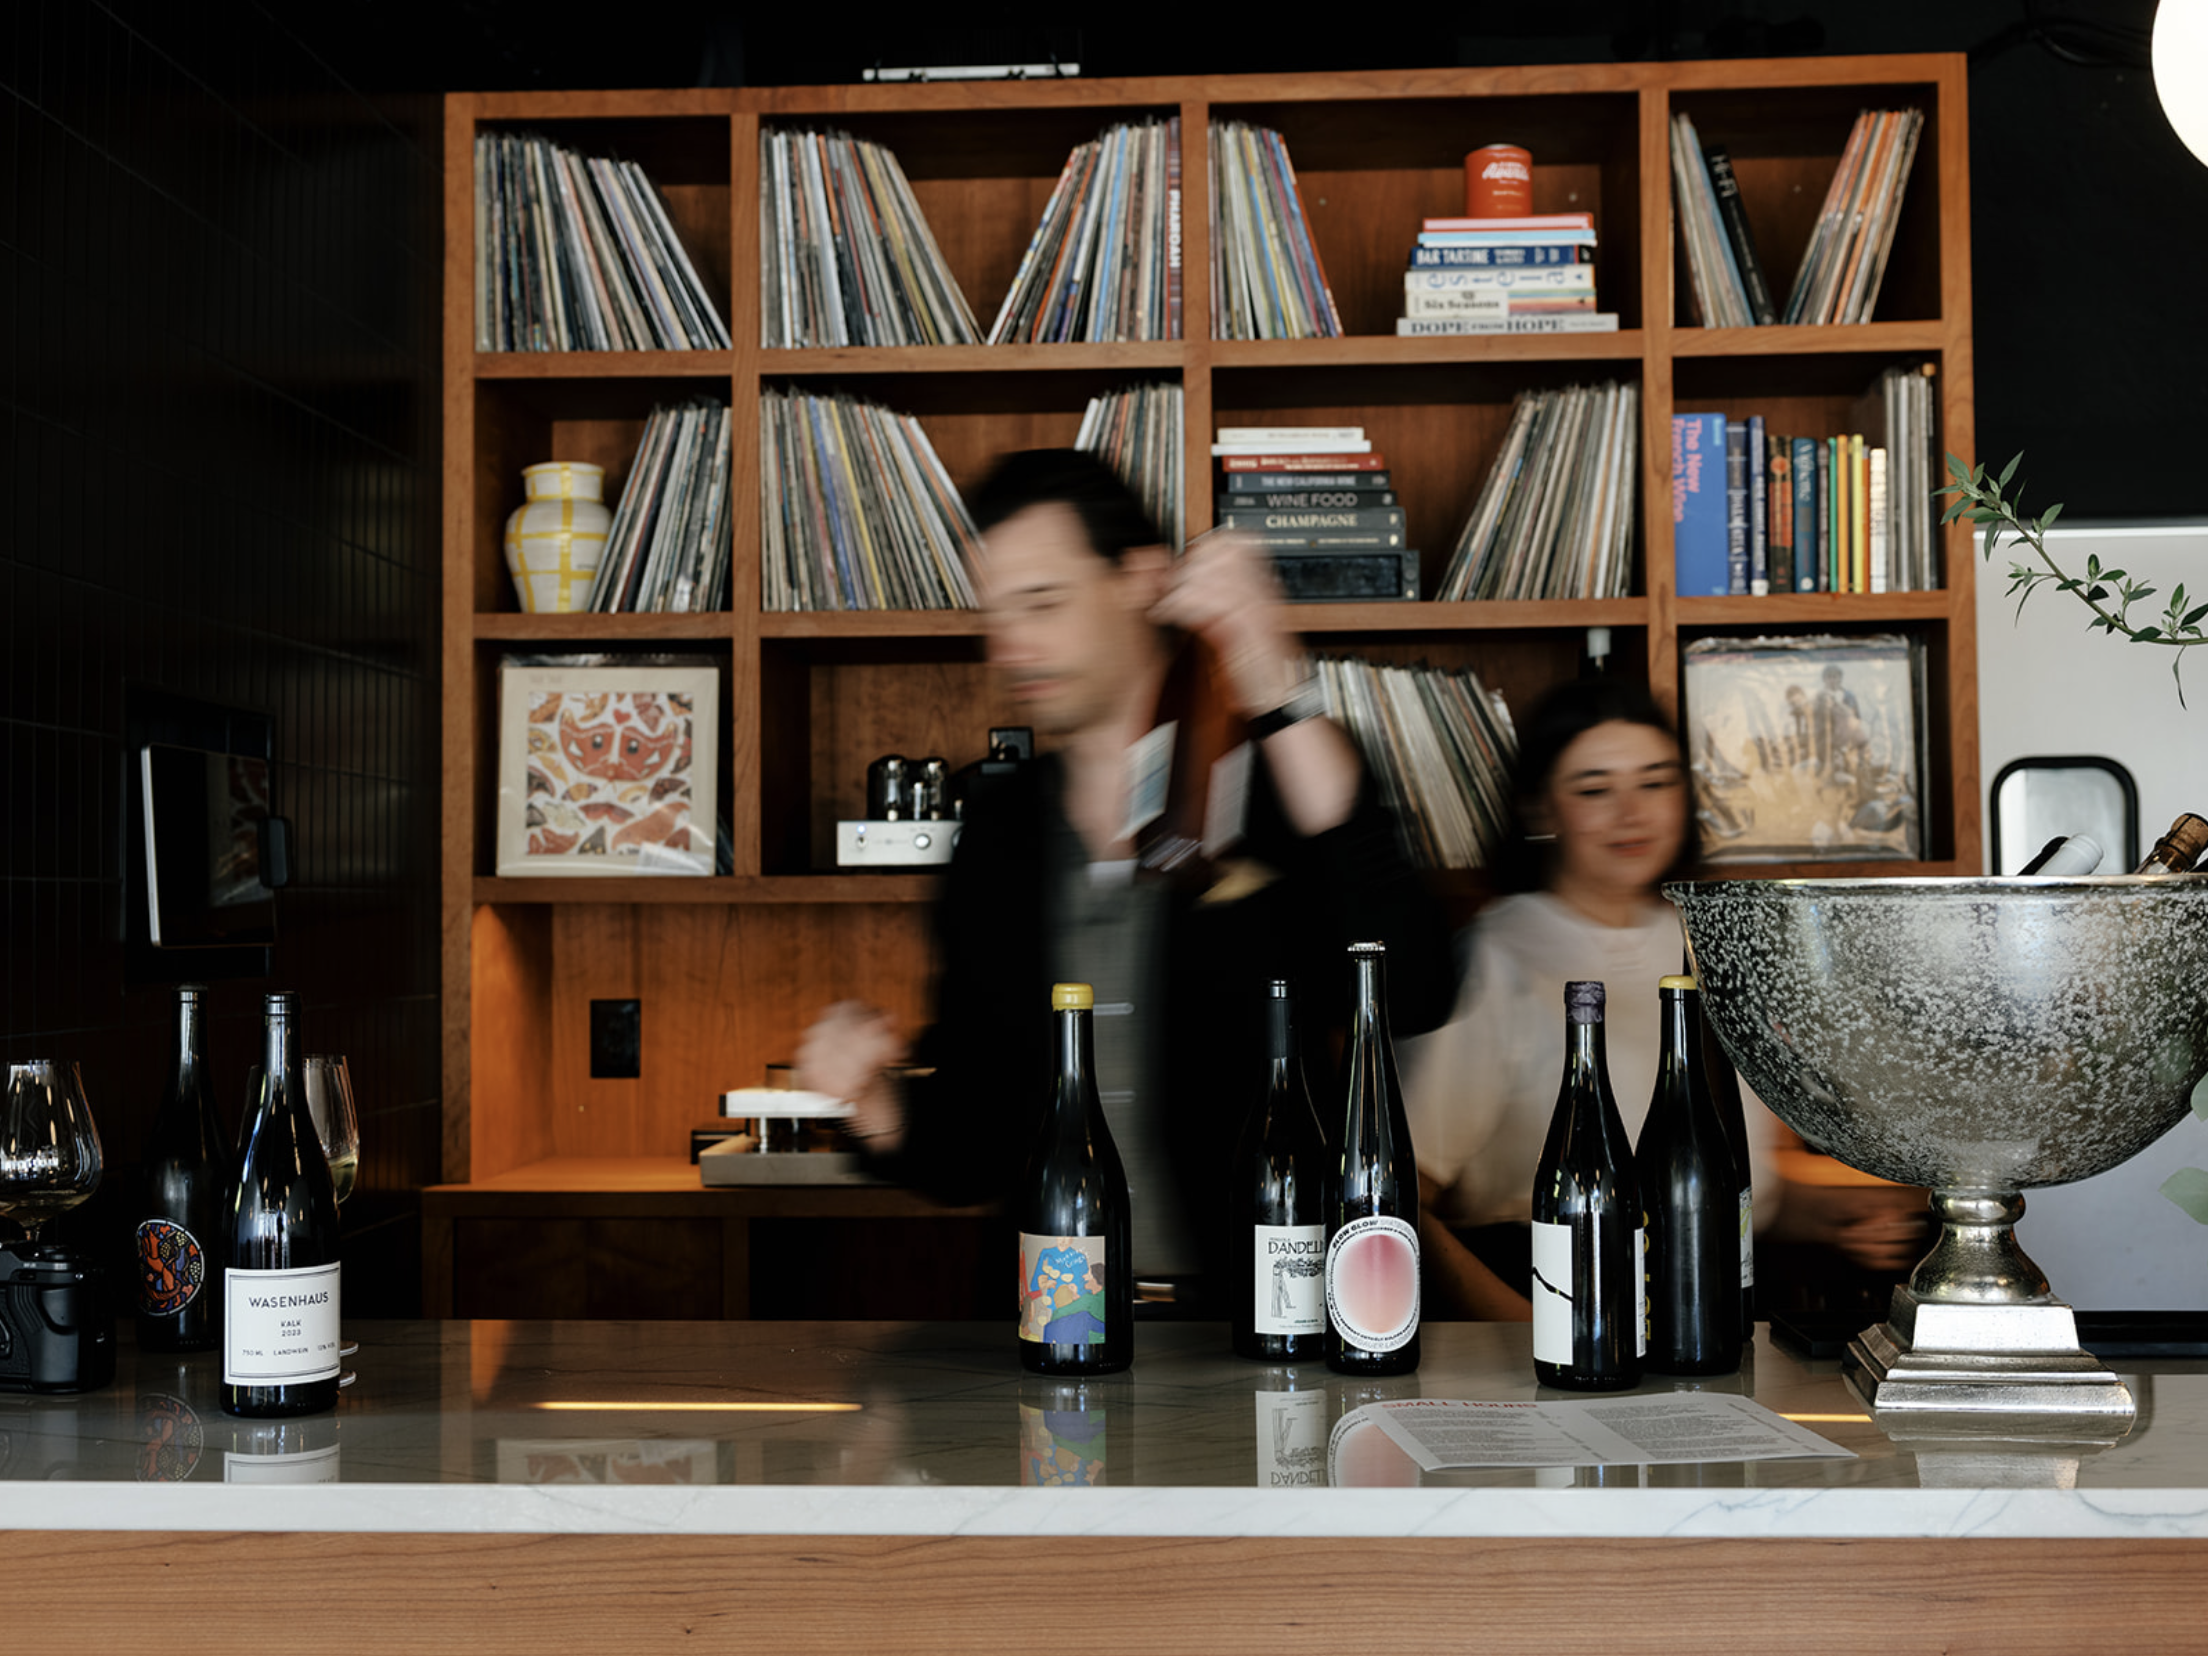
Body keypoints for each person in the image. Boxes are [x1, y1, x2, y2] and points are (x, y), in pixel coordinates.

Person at [796, 449, 1455, 1305]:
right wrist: (873, 1102)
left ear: (1141, 580)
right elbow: (975, 1149)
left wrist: (1278, 695)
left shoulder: (1273, 780)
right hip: (1060, 1324)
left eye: (1043, 603)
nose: (1009, 646)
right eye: (996, 614)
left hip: (1273, 1316)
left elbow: (1414, 991)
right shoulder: (1000, 830)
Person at [1401, 678, 1927, 1320]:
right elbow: (1402, 1202)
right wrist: (1521, 1331)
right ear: (1540, 810)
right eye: (1594, 790)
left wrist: (1843, 1218)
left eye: (1655, 783)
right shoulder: (1494, 954)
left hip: (1710, 1313)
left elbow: (1725, 1194)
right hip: (1548, 1307)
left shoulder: (1710, 942)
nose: (1632, 813)